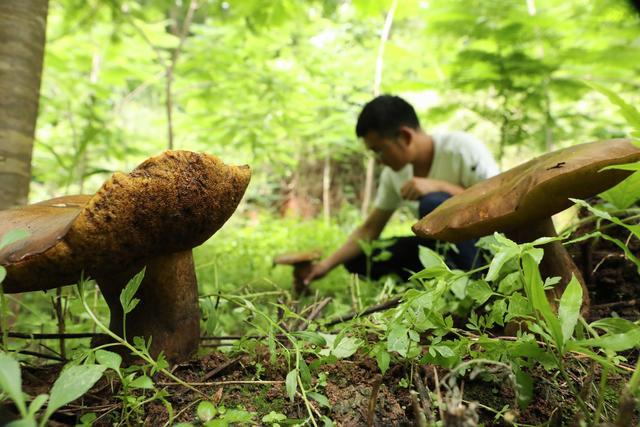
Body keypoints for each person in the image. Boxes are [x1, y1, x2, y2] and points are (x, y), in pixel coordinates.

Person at [304, 95, 499, 285]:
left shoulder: (461, 149)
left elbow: (497, 202)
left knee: (432, 203)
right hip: (434, 248)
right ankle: (436, 281)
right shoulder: (394, 174)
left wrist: (440, 187)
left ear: (405, 136)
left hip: (481, 249)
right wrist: (325, 266)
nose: (379, 160)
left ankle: (474, 284)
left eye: (379, 150)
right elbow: (371, 228)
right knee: (359, 257)